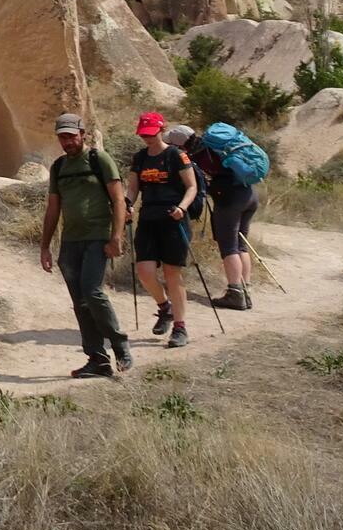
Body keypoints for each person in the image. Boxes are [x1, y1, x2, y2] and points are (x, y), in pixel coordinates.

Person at [39, 112, 132, 378]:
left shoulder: (98, 159)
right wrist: (45, 246)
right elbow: (53, 208)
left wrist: (117, 236)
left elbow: (118, 200)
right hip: (71, 241)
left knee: (93, 293)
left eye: (71, 136)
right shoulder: (58, 168)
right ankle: (97, 359)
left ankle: (119, 344)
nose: (67, 142)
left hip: (98, 237)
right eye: (62, 138)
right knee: (80, 302)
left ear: (83, 134)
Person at [127, 110, 198, 348]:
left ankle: (180, 327)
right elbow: (133, 189)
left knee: (172, 273)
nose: (147, 138)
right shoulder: (139, 158)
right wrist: (127, 204)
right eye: (143, 134)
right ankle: (164, 307)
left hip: (173, 219)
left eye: (151, 133)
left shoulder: (176, 155)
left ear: (161, 129)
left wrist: (182, 207)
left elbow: (191, 187)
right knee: (145, 272)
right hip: (148, 219)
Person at [166, 123, 255, 310]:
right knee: (240, 245)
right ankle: (245, 290)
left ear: (180, 145)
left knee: (229, 247)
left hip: (230, 199)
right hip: (249, 195)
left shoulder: (198, 157)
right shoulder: (214, 147)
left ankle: (235, 293)